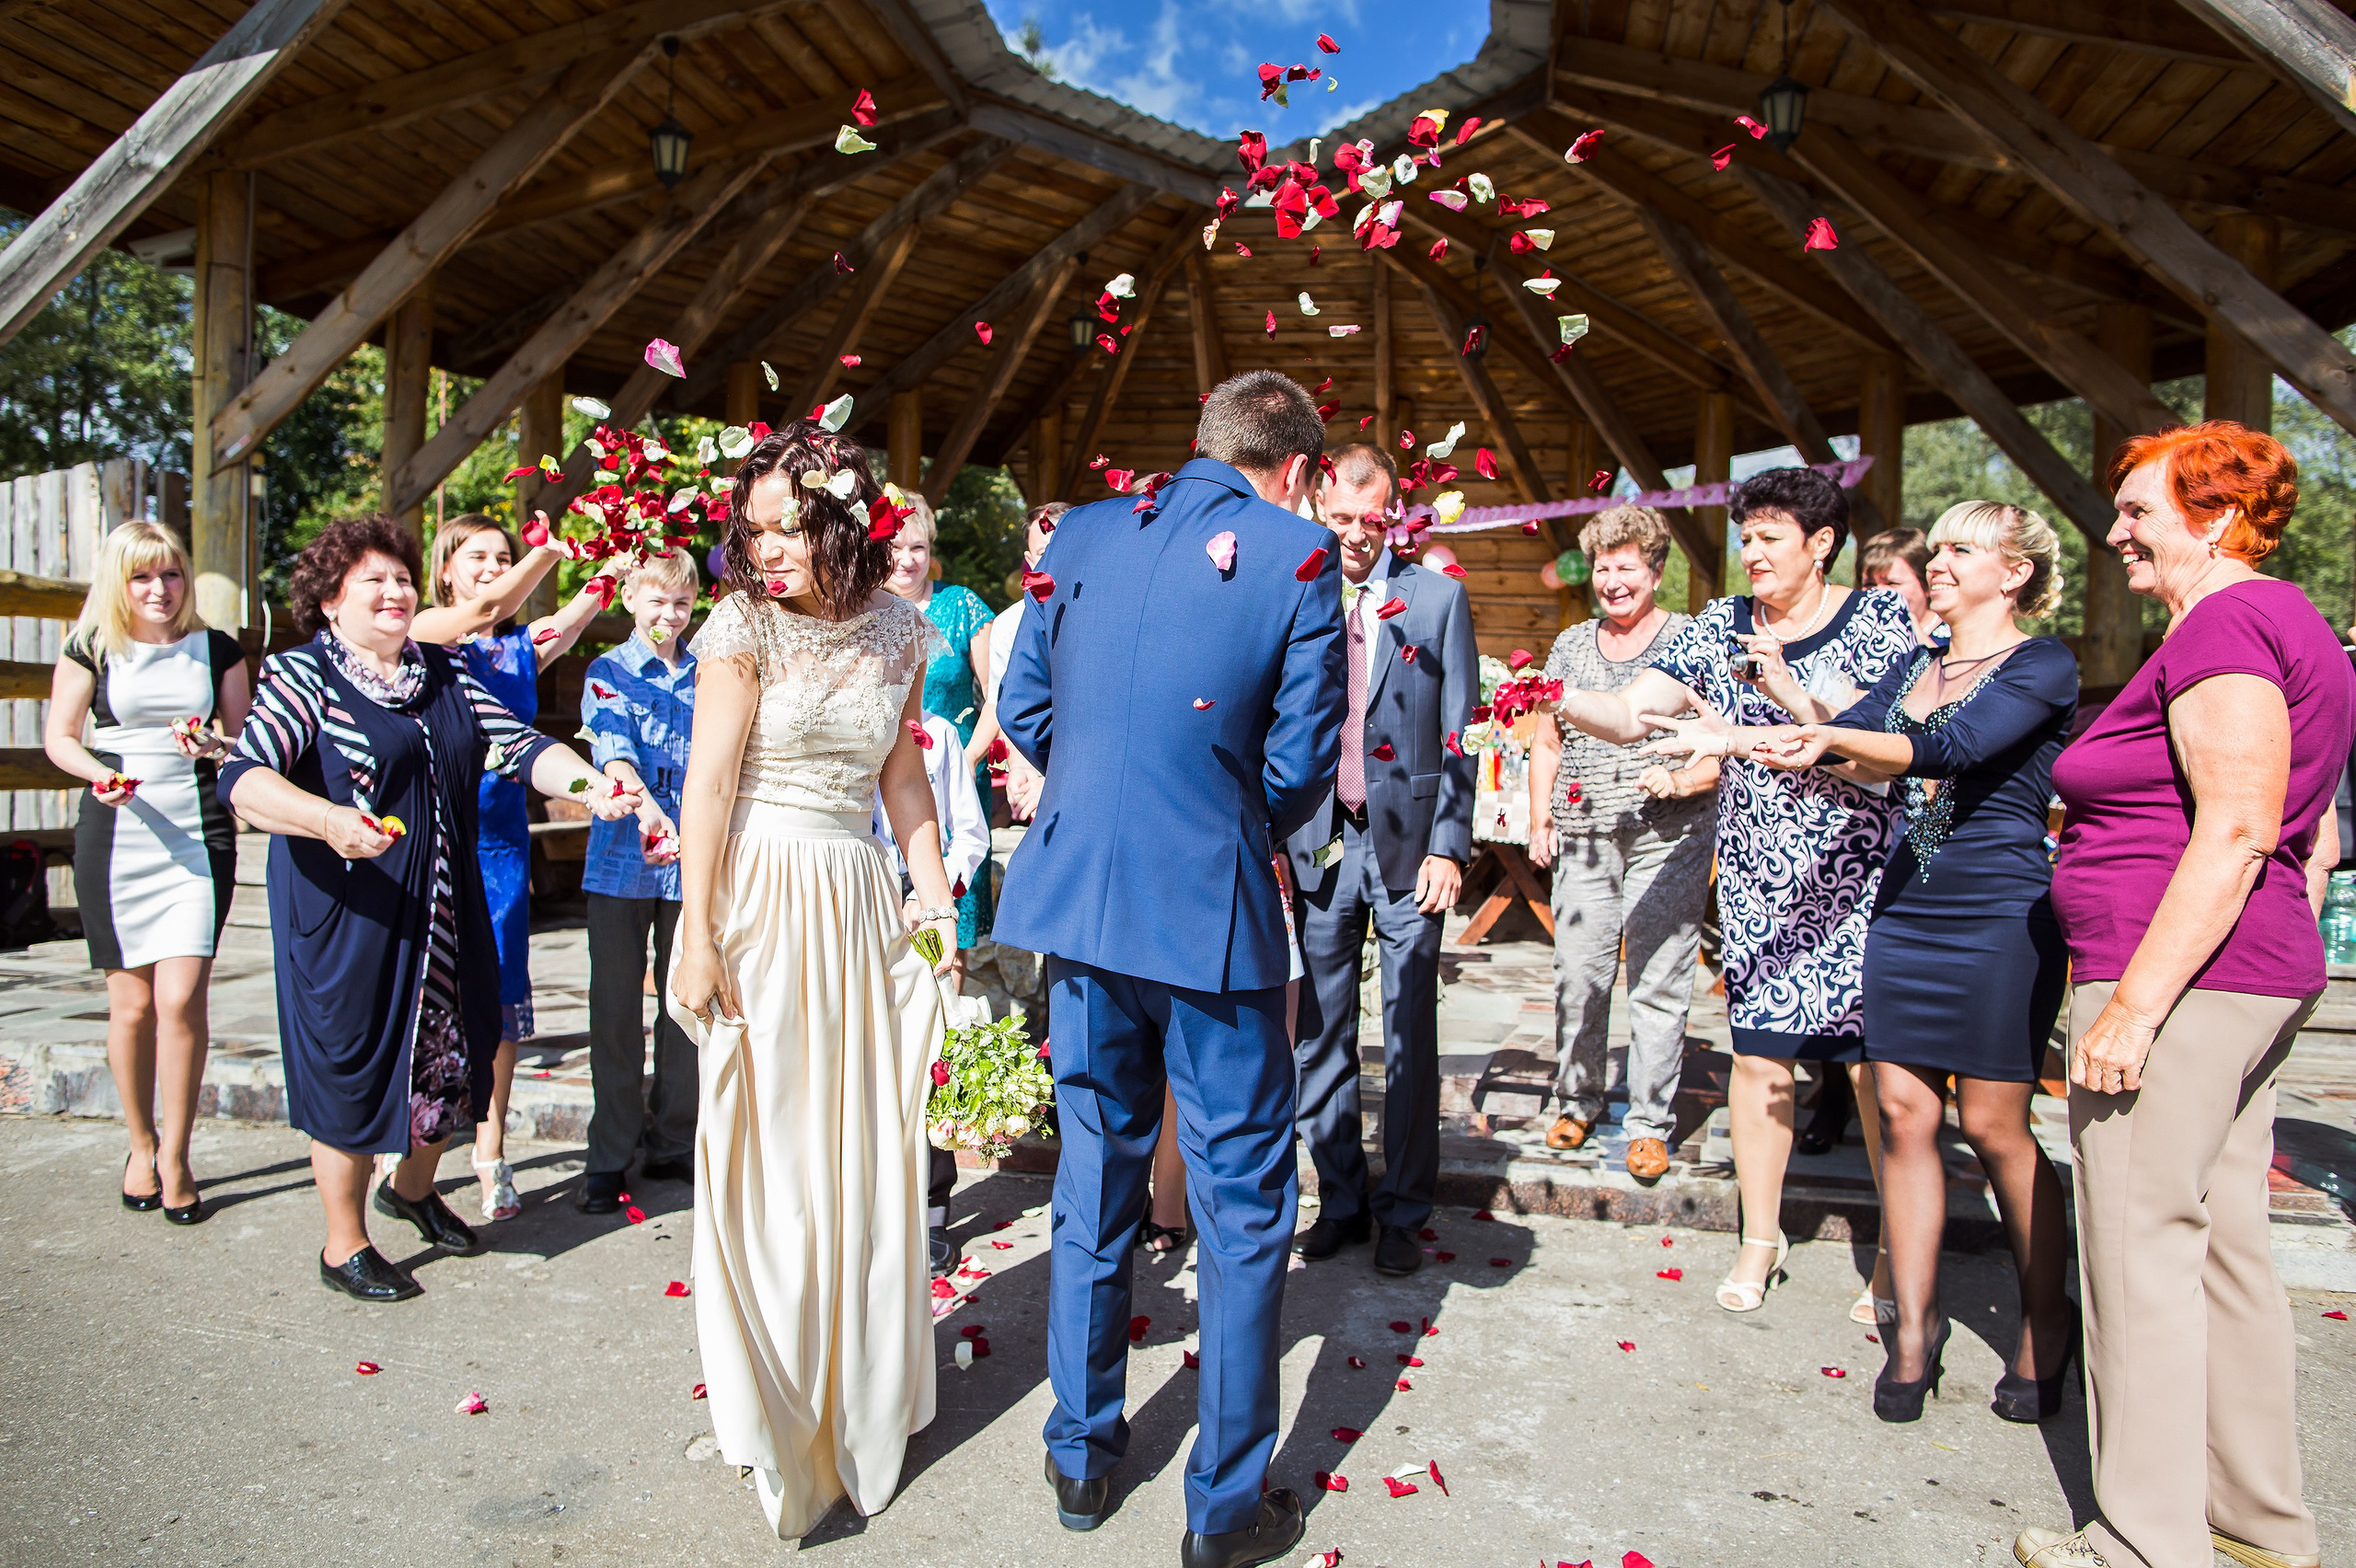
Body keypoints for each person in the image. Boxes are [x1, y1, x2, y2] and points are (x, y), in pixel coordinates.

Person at [996, 369, 1342, 1568]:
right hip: (1211, 914)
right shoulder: (1301, 555)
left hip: (1083, 908)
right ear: (1295, 469)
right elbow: (1298, 772)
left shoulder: (1084, 532)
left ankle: (1082, 1455)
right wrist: (1203, 812)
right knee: (1243, 1210)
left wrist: (1104, 794)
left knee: (1094, 1178)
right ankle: (1222, 1510)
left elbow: (1025, 702)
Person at [1646, 501, 2079, 1424]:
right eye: (1942, 546)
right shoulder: (1917, 664)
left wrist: (1802, 734)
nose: (1942, 560)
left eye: (1964, 549)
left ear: (2014, 574)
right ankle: (1911, 1334)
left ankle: (2048, 1323)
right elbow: (1856, 761)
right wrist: (1743, 735)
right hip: (1903, 911)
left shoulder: (2040, 663)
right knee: (1901, 1113)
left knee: (1995, 1126)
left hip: (1998, 914)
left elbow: (1944, 749)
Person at [2012, 422, 2350, 1568]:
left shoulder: (2227, 621)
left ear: (2214, 516)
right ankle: (2253, 1527)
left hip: (2177, 977)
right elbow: (2309, 836)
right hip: (2241, 973)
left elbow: (2245, 817)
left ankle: (2144, 1542)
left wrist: (2133, 1007)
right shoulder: (2284, 622)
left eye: (2139, 511)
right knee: (2222, 1254)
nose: (2114, 532)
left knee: (2137, 1253)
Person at [219, 516, 638, 1304]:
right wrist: (325, 818)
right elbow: (243, 777)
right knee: (353, 1071)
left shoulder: (440, 672)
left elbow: (518, 744)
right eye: (372, 579)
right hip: (350, 920)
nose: (394, 591)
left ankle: (410, 1190)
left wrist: (595, 788)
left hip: (446, 912)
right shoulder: (301, 677)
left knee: (458, 1056)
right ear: (330, 600)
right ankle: (343, 1243)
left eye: (402, 578)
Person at [664, 421, 957, 1543]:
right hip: (761, 901)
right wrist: (697, 933)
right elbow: (707, 786)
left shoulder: (901, 630)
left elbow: (904, 784)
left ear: (841, 521)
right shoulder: (739, 627)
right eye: (754, 528)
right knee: (772, 1148)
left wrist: (934, 906)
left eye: (788, 526)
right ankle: (775, 1403)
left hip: (859, 904)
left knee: (867, 1144)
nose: (765, 547)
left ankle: (863, 1387)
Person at [1544, 467, 1910, 1318]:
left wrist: (1787, 696)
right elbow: (1636, 711)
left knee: (1870, 1077)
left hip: (1856, 882)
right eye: (1747, 539)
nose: (1752, 555)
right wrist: (1546, 692)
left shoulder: (1882, 620)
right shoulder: (1721, 623)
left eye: (1769, 539)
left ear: (1821, 545)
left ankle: (1895, 1250)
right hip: (1757, 883)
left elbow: (1887, 745)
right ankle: (1760, 1239)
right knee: (1759, 1061)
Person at [1283, 442, 1477, 1275]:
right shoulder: (1296, 595)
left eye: (1374, 520)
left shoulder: (1437, 600)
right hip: (1323, 841)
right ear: (1320, 509)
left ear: (1394, 515)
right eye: (1342, 519)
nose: (1358, 535)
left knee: (1408, 1033)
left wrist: (1450, 847)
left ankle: (1403, 1208)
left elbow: (1461, 733)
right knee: (1319, 1036)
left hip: (1410, 846)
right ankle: (1343, 1198)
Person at [413, 512, 618, 1221]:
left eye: (505, 554)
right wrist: (547, 552)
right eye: (479, 556)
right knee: (423, 997)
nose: (495, 566)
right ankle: (407, 1145)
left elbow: (577, 605)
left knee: (498, 1005)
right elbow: (487, 606)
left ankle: (489, 1148)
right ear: (446, 569)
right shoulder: (419, 635)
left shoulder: (519, 649)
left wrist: (616, 550)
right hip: (431, 842)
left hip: (498, 849)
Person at [44, 521, 248, 1224]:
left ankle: (178, 1156)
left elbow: (242, 745)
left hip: (197, 835)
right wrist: (99, 774)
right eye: (141, 577)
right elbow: (60, 739)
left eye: (170, 575)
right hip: (116, 832)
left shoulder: (217, 648)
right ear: (118, 583)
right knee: (130, 1005)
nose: (158, 590)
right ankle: (140, 1143)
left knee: (181, 1001)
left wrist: (212, 742)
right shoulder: (91, 646)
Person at [1524, 505, 1717, 1184]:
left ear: (1656, 572)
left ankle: (1648, 1124)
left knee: (1658, 983)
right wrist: (1540, 815)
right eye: (1603, 568)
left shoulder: (1693, 641)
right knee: (1579, 977)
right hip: (1583, 834)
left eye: (1626, 566)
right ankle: (1576, 1098)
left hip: (1671, 836)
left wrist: (1683, 775)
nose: (1613, 580)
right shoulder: (1571, 646)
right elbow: (1547, 741)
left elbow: (1725, 746)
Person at [576, 548, 700, 1216]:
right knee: (616, 1010)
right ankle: (608, 1152)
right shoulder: (608, 672)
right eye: (656, 600)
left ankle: (675, 1138)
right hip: (622, 860)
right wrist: (654, 820)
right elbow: (614, 754)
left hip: (691, 865)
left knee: (684, 1005)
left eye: (680, 603)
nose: (668, 614)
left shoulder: (710, 674)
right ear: (630, 598)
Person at [869, 704, 990, 1277]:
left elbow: (969, 832)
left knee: (932, 1062)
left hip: (926, 911)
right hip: (858, 905)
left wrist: (934, 896)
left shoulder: (939, 735)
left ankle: (934, 1208)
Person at [884, 495, 995, 983]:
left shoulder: (962, 604)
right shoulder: (859, 610)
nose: (907, 560)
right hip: (883, 780)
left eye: (919, 547)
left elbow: (999, 695)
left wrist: (967, 761)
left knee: (947, 938)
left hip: (954, 781)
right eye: (895, 546)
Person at [971, 501, 1064, 823]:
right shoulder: (1010, 625)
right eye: (1041, 552)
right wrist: (1020, 768)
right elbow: (1008, 703)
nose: (1052, 559)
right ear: (1028, 560)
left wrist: (1056, 784)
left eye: (1059, 546)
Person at [1861, 526, 1938, 645]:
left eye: (1892, 583)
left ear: (1927, 585)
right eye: (1870, 584)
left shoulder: (1952, 638)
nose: (1879, 593)